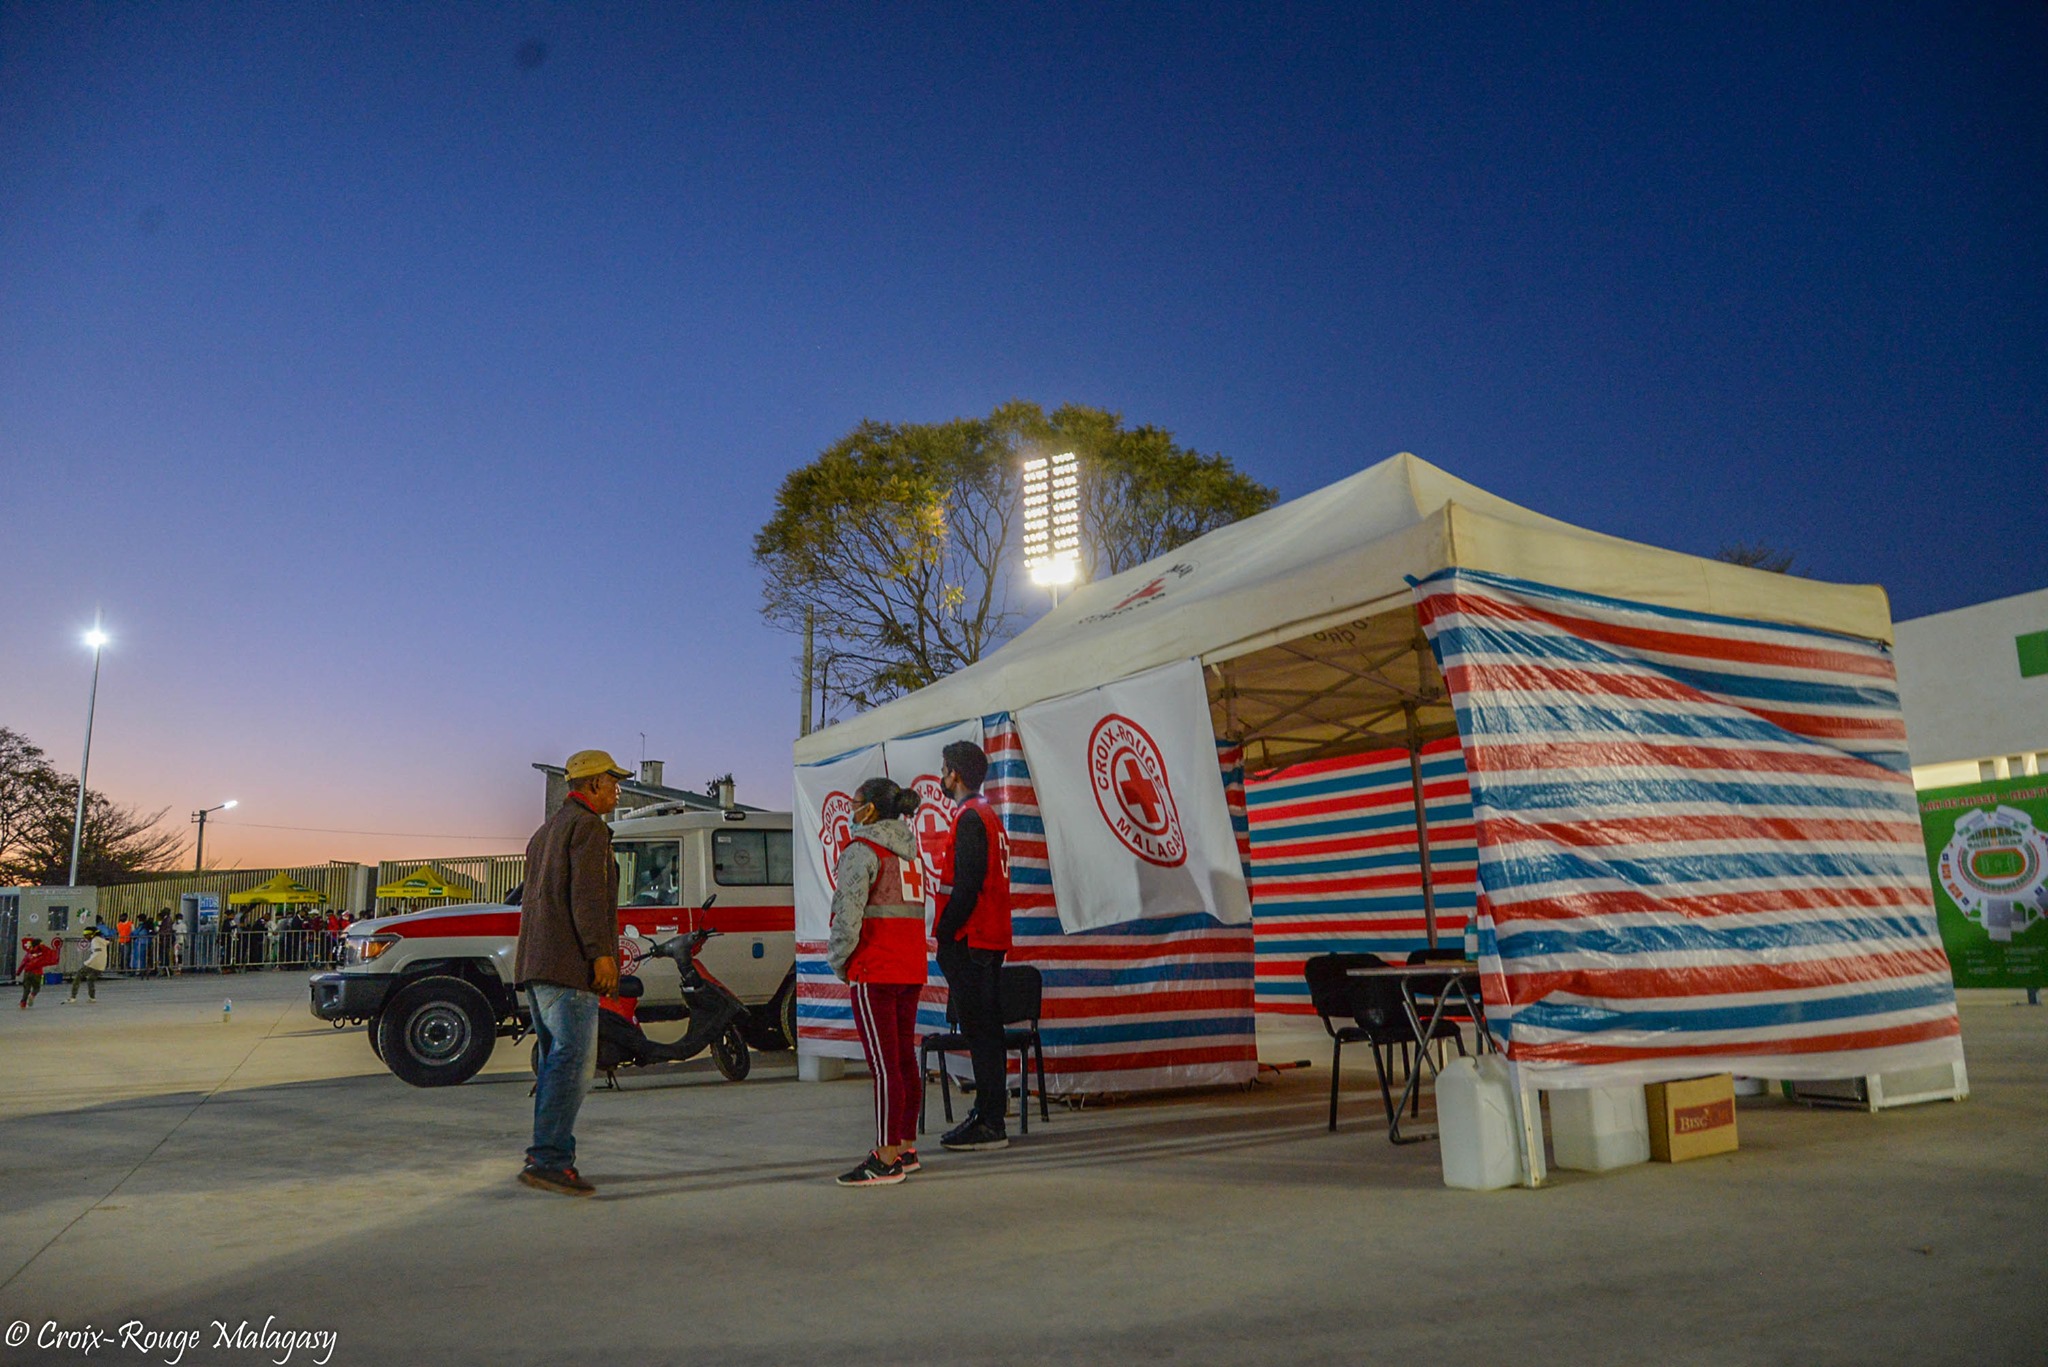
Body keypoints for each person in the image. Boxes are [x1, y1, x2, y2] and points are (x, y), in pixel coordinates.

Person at [512, 748, 629, 1197]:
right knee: (571, 1064)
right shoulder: (589, 828)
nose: (618, 788)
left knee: (553, 1061)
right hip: (568, 966)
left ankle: (545, 1154)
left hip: (537, 965)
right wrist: (601, 955)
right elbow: (588, 899)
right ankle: (549, 1160)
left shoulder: (545, 832)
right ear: (592, 784)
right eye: (612, 780)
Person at [826, 776, 928, 1188]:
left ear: (869, 810)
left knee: (883, 1065)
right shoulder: (910, 854)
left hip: (874, 968)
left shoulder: (861, 851)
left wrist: (839, 962)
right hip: (910, 968)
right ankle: (905, 1146)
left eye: (855, 802)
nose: (851, 809)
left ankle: (884, 1159)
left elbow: (847, 918)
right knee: (903, 1060)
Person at [932, 739, 1014, 1151]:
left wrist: (945, 935)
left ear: (955, 774)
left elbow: (966, 886)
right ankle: (988, 1113)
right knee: (986, 1032)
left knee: (981, 1033)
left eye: (944, 768)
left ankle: (990, 1120)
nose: (941, 776)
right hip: (988, 938)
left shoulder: (970, 818)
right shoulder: (988, 817)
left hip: (973, 940)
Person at [68, 928, 109, 1003]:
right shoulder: (101, 940)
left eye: (86, 935)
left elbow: (97, 952)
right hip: (101, 965)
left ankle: (73, 997)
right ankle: (92, 998)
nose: (85, 937)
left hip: (93, 963)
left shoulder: (95, 940)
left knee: (78, 976)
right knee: (90, 979)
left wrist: (87, 962)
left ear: (91, 934)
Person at [18, 937, 58, 1008]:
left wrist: (18, 972)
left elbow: (23, 963)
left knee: (26, 988)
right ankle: (32, 995)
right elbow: (50, 953)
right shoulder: (43, 952)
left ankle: (23, 1003)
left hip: (27, 972)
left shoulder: (29, 953)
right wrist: (41, 945)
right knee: (36, 988)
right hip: (37, 973)